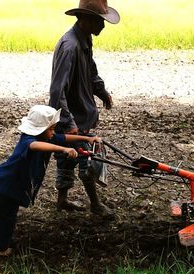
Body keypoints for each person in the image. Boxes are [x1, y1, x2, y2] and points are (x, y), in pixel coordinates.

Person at [0, 105, 102, 256]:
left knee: (5, 213)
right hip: (3, 187)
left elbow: (64, 137)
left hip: (14, 187)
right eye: (51, 129)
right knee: (6, 222)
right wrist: (63, 150)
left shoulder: (46, 136)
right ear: (39, 129)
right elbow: (35, 146)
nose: (53, 133)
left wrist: (88, 138)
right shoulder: (28, 141)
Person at [48, 0, 120, 219]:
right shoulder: (70, 47)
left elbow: (91, 71)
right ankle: (95, 205)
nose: (103, 27)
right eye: (100, 21)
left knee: (67, 157)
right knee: (87, 159)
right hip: (73, 117)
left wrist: (102, 91)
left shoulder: (84, 39)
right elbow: (57, 91)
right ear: (87, 19)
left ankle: (62, 200)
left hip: (80, 114)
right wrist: (69, 124)